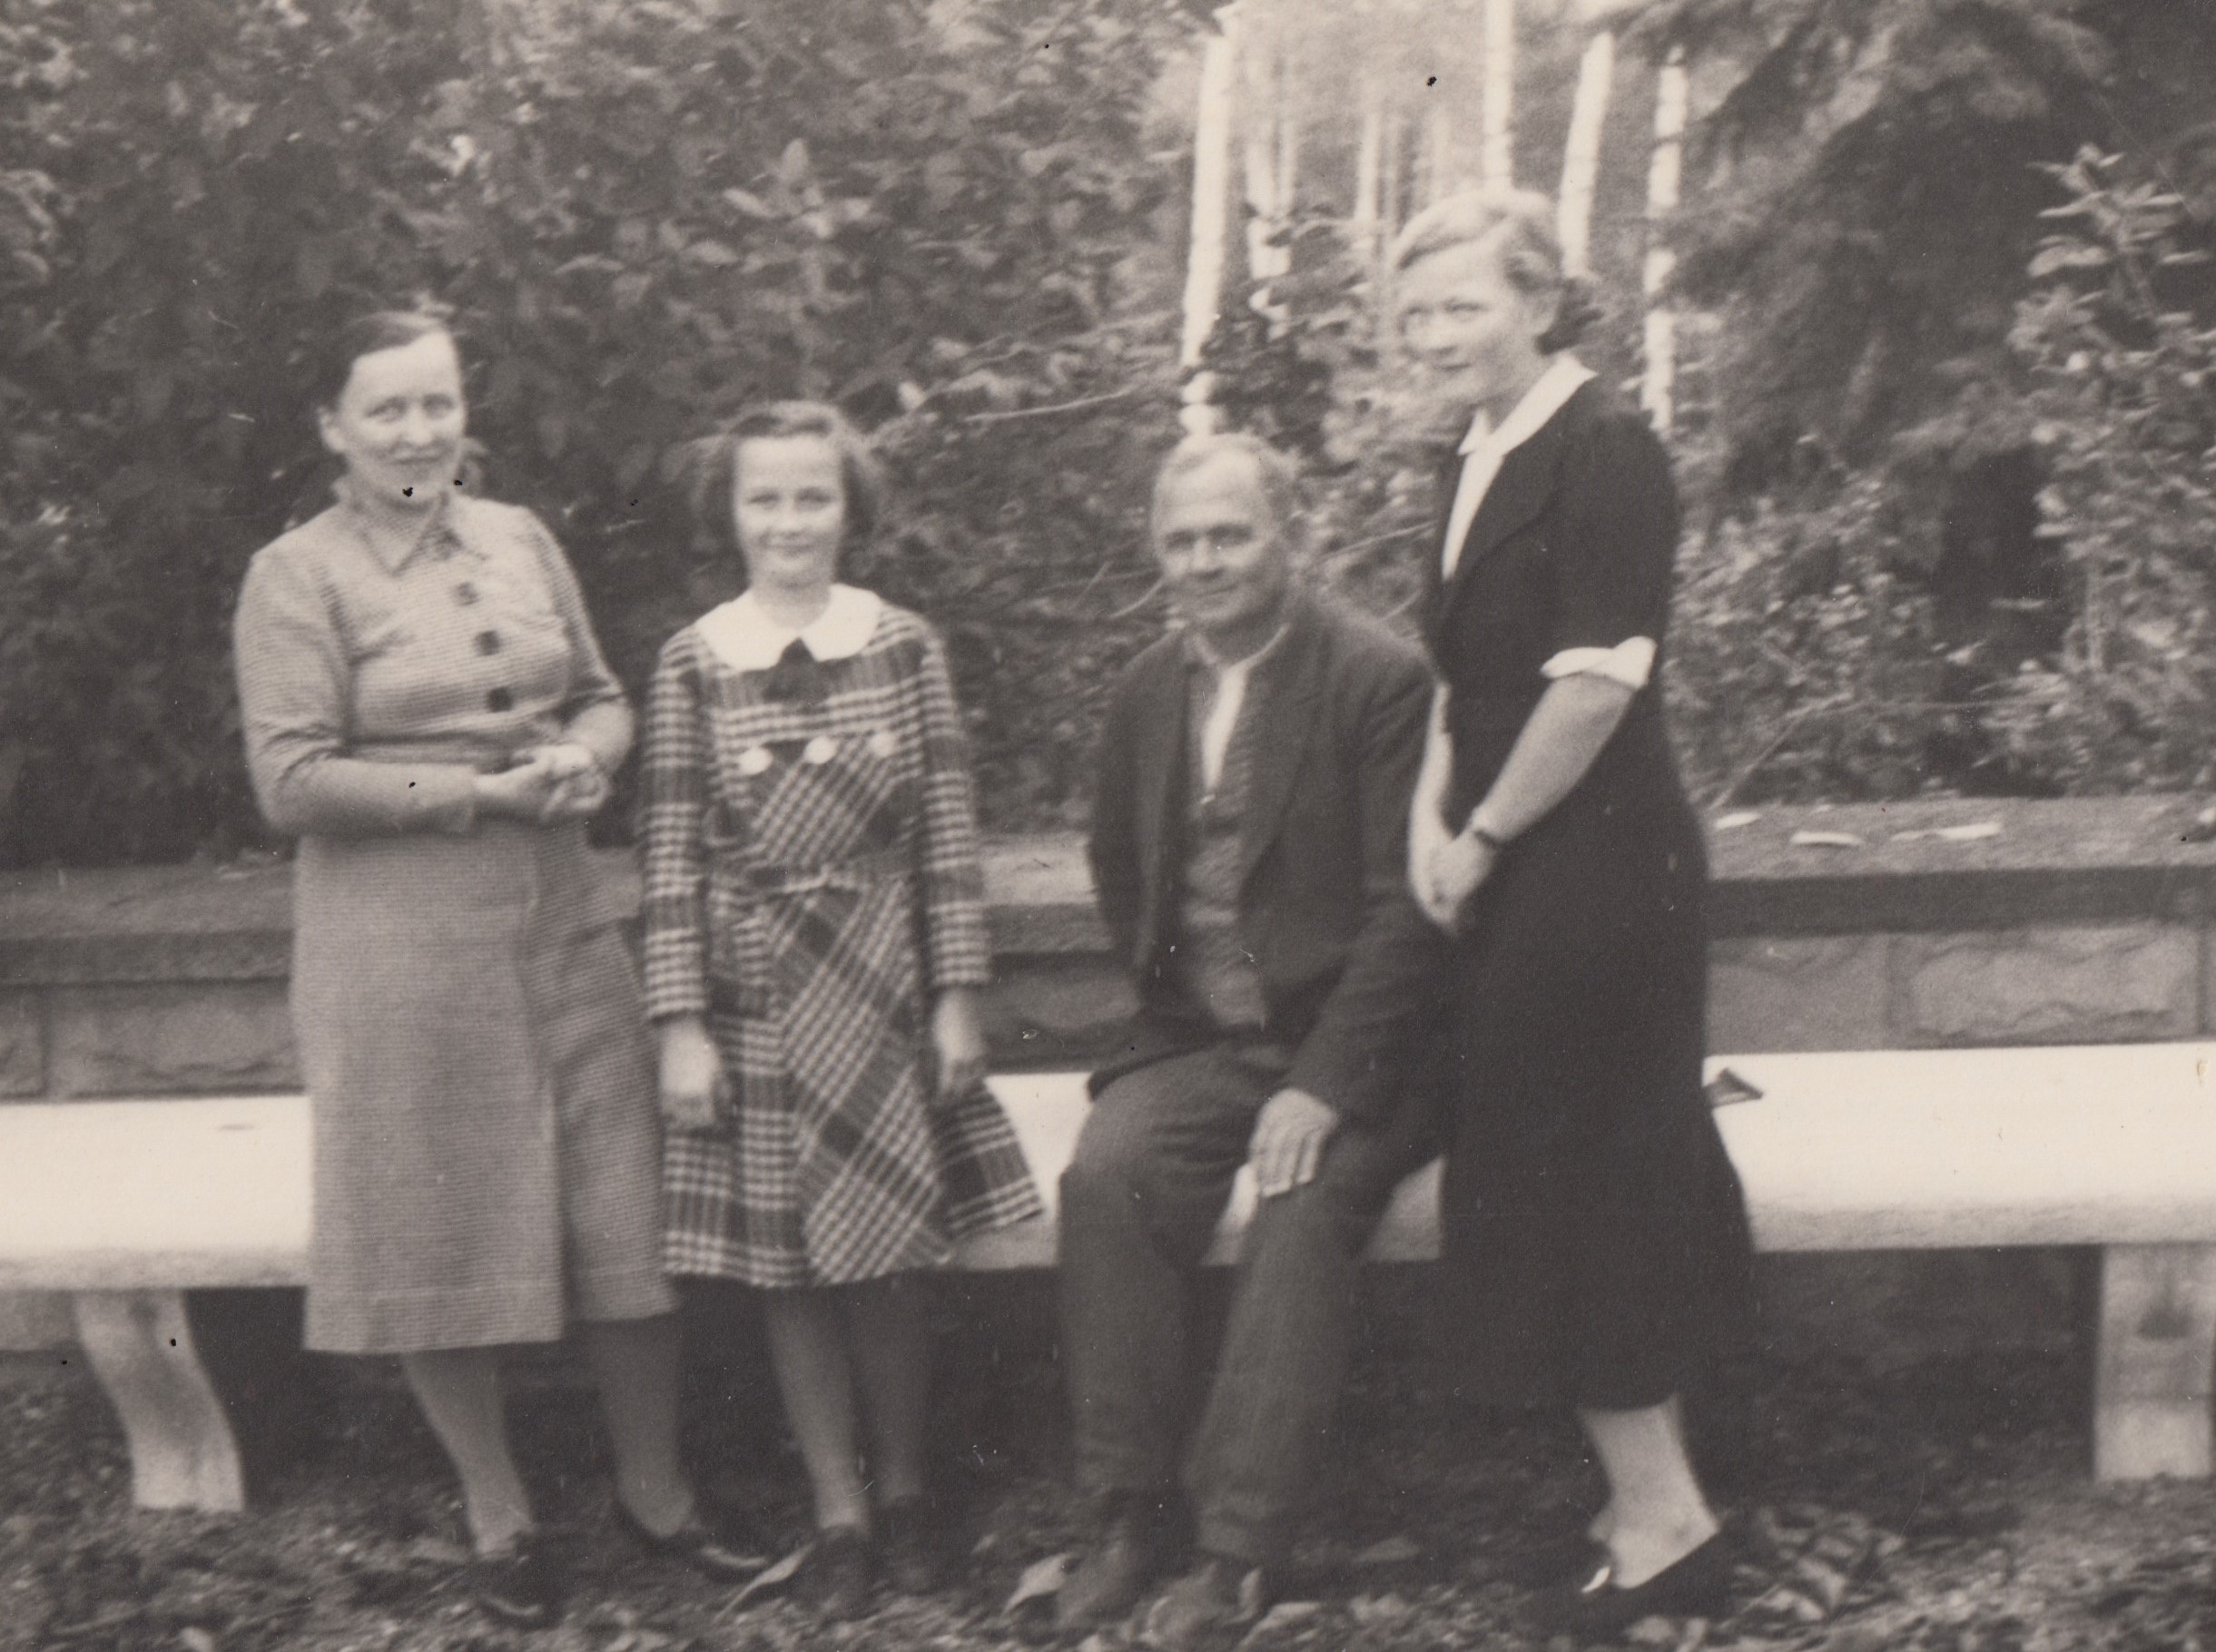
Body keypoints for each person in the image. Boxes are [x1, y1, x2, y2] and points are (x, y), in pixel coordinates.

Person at [232, 310, 758, 1630]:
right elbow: (290, 779)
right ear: (333, 429)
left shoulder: (519, 537)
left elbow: (603, 692)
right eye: (388, 410)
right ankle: (497, 1510)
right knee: (434, 1220)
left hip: (562, 925)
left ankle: (658, 1494)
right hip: (397, 952)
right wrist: (474, 796)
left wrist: (591, 753)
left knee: (625, 1206)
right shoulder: (295, 576)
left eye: (439, 403)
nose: (420, 433)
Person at [1394, 189, 1756, 1639]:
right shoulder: (1470, 451)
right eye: (1414, 313)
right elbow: (1455, 681)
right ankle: (1642, 1501)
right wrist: (1431, 824)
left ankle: (1666, 1521)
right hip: (1517, 862)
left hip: (1599, 874)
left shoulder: (1604, 448)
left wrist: (1481, 835)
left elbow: (1596, 686)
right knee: (1563, 1169)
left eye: (1462, 305)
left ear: (1540, 303)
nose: (1434, 335)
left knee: (1580, 1180)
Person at [637, 400, 1043, 1619]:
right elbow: (669, 855)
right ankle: (837, 1512)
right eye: (764, 498)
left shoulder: (903, 646)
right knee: (791, 1276)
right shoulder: (693, 660)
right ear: (730, 513)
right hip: (753, 1000)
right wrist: (680, 1026)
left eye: (812, 496)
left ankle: (907, 1493)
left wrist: (957, 996)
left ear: (848, 507)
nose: (789, 521)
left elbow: (949, 838)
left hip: (880, 991)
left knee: (887, 1262)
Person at [1055, 433, 1444, 1647]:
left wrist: (1324, 1084)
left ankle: (1235, 1554)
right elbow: (1120, 865)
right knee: (1107, 1175)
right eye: (1181, 541)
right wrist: (1180, 1002)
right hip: (1205, 1042)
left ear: (1290, 536)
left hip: (1363, 1051)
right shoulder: (1146, 689)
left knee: (1298, 1203)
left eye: (1230, 534)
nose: (1204, 561)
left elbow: (1410, 908)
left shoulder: (1377, 679)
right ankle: (1128, 1513)